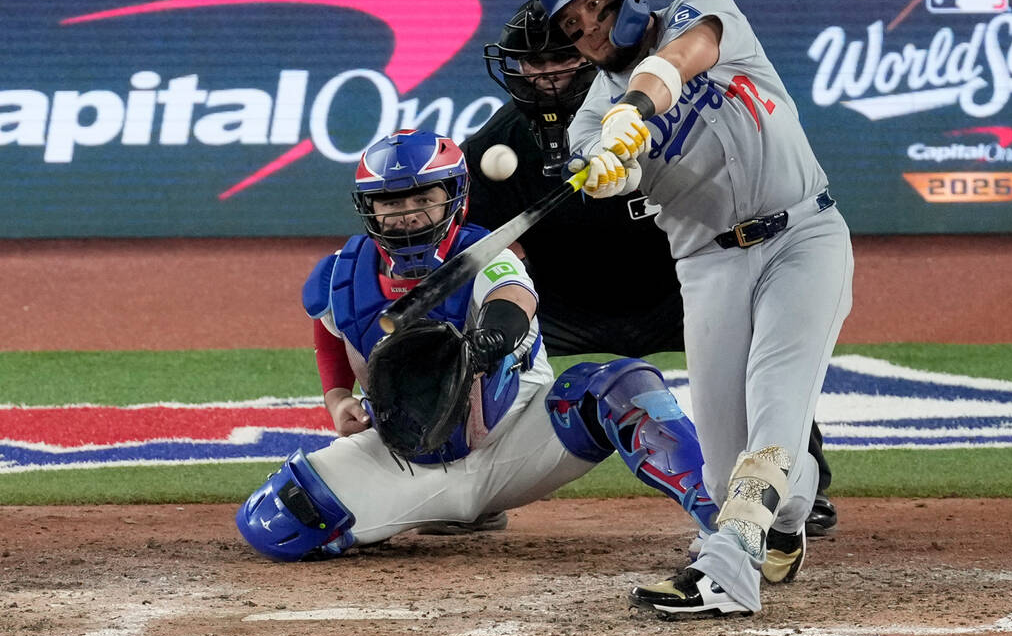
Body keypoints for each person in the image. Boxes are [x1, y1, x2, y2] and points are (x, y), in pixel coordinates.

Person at [536, 0, 854, 618]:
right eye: (573, 25)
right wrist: (606, 167)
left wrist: (636, 109)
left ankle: (727, 571)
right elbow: (614, 168)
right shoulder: (591, 118)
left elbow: (682, 57)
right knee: (720, 472)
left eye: (596, 6)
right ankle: (786, 526)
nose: (590, 28)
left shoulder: (699, 8)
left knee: (774, 406)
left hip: (803, 236)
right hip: (709, 266)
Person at [234, 128, 719, 561]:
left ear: (453, 198)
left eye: (422, 198)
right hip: (407, 457)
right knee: (274, 523)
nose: (406, 214)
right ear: (370, 209)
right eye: (391, 202)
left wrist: (488, 340)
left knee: (618, 386)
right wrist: (338, 398)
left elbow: (513, 298)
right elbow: (329, 331)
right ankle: (436, 511)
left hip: (518, 442)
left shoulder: (487, 253)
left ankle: (722, 522)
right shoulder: (341, 274)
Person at [462, 0, 839, 538]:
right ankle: (474, 488)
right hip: (564, 302)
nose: (543, 76)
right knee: (481, 338)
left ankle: (802, 489)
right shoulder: (495, 144)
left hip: (675, 293)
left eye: (556, 59)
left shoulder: (663, 100)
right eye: (532, 63)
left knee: (769, 365)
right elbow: (474, 241)